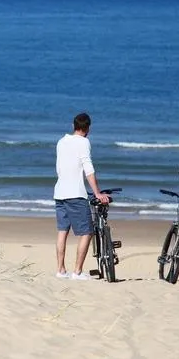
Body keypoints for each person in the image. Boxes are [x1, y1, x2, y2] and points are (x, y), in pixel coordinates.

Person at [54, 112, 109, 280]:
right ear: (88, 128)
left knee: (62, 231)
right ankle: (77, 272)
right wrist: (98, 192)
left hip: (59, 192)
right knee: (87, 232)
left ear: (73, 126)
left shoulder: (61, 141)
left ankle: (60, 270)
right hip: (75, 194)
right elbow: (88, 169)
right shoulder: (84, 142)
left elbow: (60, 167)